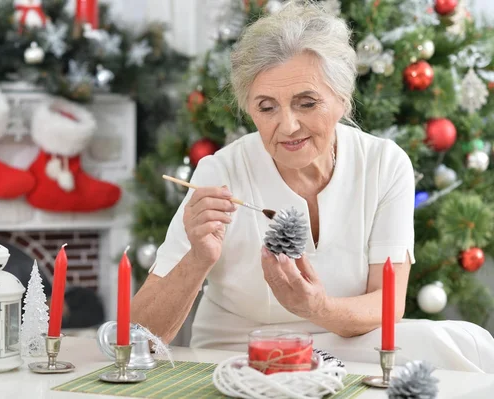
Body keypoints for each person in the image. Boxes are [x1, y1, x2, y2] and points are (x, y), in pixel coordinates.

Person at [131, 2, 494, 373]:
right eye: (267, 107)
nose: (288, 126)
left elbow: (387, 304)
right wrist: (198, 258)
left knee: (467, 344)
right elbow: (138, 336)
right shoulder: (219, 173)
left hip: (346, 343)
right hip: (242, 353)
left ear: (341, 98)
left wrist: (316, 308)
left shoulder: (385, 164)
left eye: (307, 103)